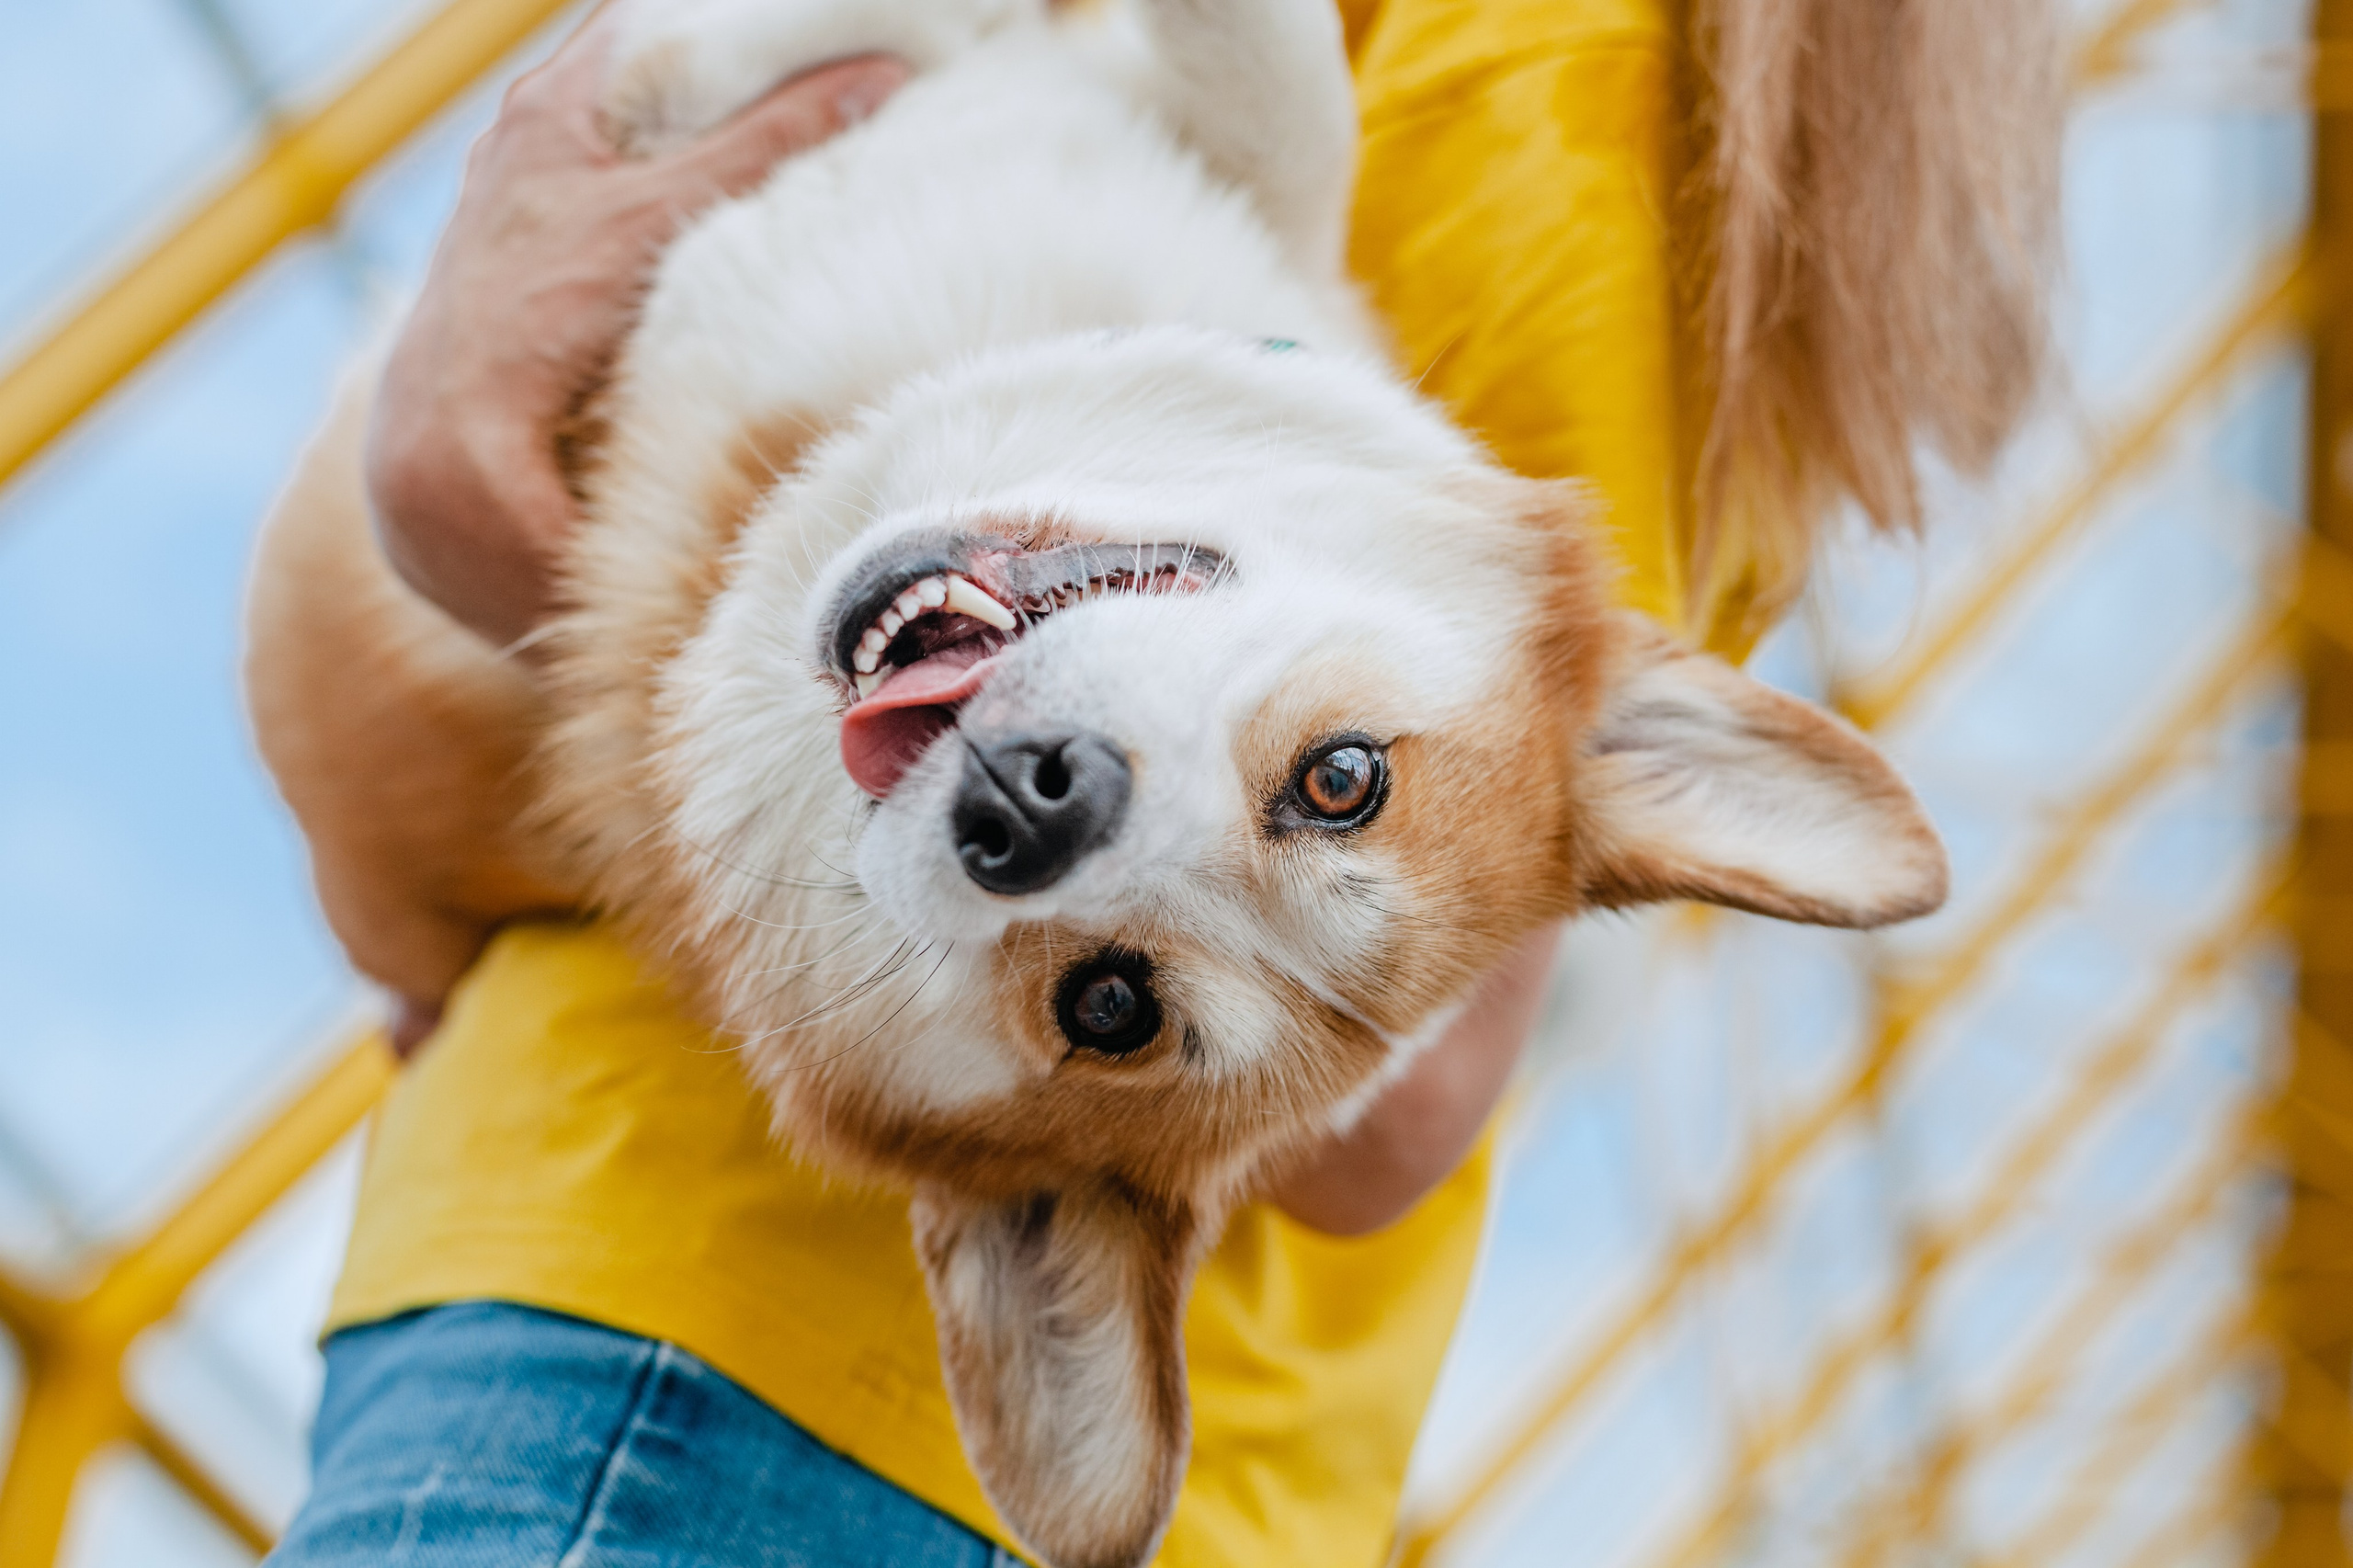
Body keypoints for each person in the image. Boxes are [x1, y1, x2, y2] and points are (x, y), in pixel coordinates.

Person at [269, 0, 2047, 1561]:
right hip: (785, 1396)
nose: (1053, 830)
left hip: (705, 1338)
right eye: (1331, 782)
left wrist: (523, 536)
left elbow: (1407, 1107)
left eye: (1109, 991)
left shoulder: (1561, 53)